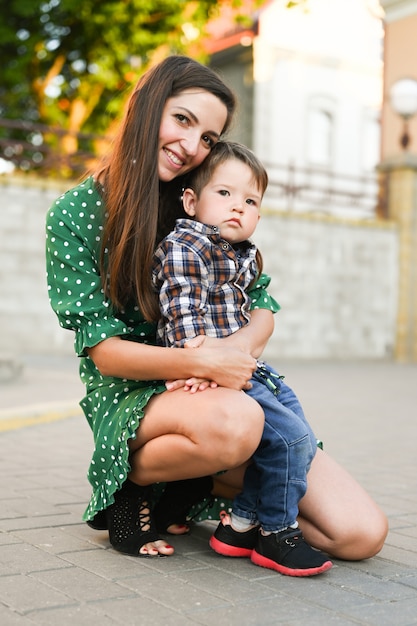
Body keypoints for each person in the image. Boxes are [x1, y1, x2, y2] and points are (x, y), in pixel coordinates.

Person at [45, 54, 388, 561]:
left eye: (208, 137)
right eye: (182, 119)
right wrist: (203, 361)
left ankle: (213, 494)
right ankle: (132, 480)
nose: (191, 146)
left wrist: (230, 355)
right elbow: (106, 353)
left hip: (225, 388)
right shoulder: (76, 213)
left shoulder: (208, 196)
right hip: (137, 398)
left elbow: (263, 305)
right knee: (238, 423)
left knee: (359, 534)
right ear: (144, 106)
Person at [152, 141, 333, 576]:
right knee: (289, 440)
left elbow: (258, 314)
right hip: (214, 370)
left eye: (250, 201)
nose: (238, 208)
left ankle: (242, 524)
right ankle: (276, 533)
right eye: (225, 194)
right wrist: (197, 360)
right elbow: (181, 308)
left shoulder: (243, 253)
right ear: (192, 201)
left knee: (300, 434)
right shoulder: (187, 246)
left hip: (247, 369)